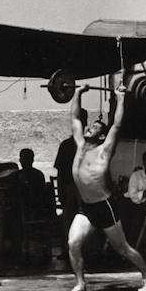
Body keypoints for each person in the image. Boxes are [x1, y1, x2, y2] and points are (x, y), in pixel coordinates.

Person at [65, 85, 146, 291]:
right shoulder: (79, 145)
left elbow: (117, 124)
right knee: (73, 243)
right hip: (86, 207)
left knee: (122, 248)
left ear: (102, 135)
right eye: (90, 126)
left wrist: (120, 98)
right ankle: (80, 284)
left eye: (95, 127)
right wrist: (78, 92)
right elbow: (75, 118)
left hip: (104, 206)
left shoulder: (104, 151)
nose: (89, 128)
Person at [53, 111, 85, 260]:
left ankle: (84, 250)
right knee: (68, 219)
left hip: (85, 187)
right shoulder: (66, 146)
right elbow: (60, 171)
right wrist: (61, 191)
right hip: (69, 187)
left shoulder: (88, 146)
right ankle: (68, 250)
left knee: (86, 218)